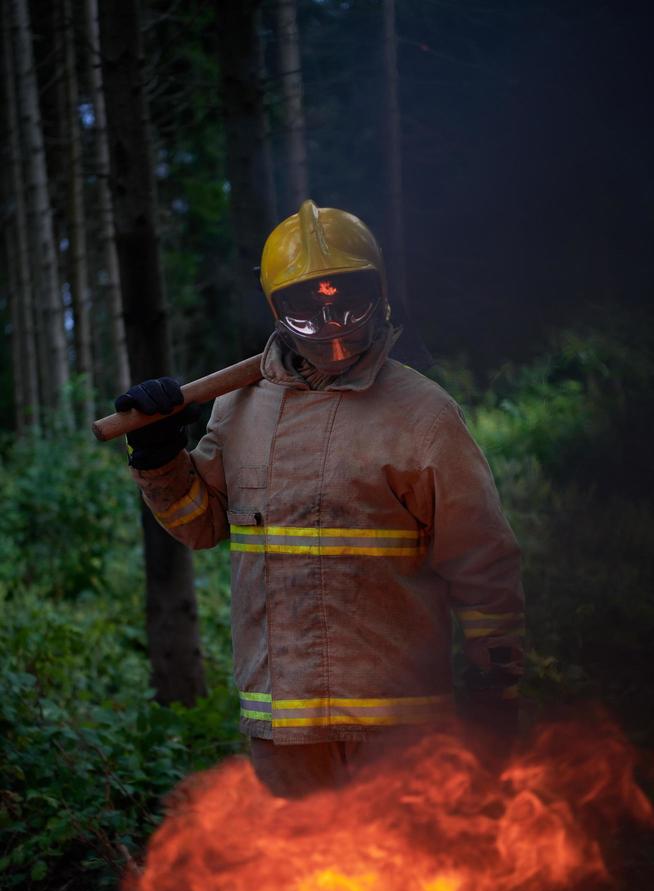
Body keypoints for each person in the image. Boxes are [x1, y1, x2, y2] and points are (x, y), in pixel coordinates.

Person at [115, 200, 525, 797]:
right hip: (284, 737)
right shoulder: (239, 409)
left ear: (380, 294)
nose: (331, 327)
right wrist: (157, 455)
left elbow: (484, 564)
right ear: (277, 310)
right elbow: (200, 524)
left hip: (400, 733)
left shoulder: (424, 416)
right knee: (297, 888)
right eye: (308, 310)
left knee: (403, 888)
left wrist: (494, 689)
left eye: (349, 305)